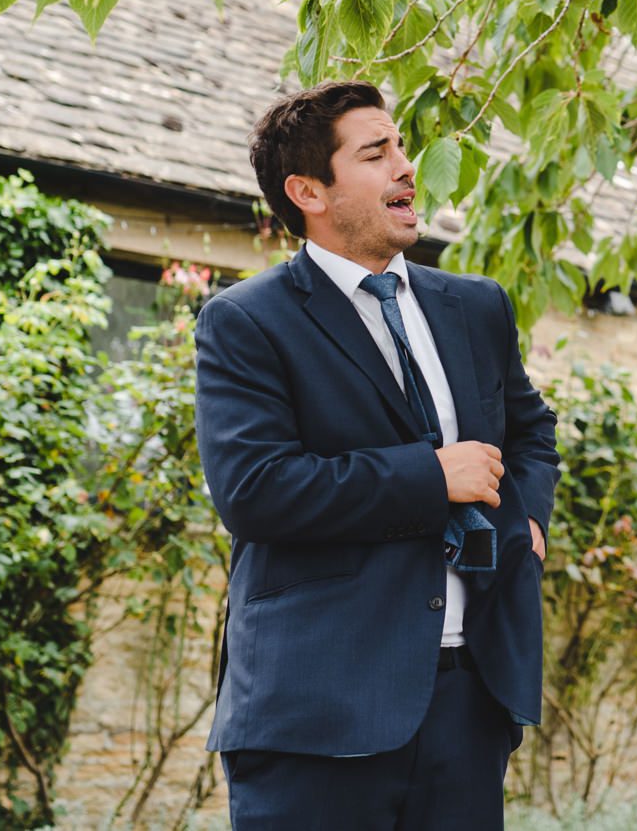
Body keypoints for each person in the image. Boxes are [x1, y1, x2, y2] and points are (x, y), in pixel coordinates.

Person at [195, 81, 560, 829]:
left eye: (400, 145)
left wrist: (528, 522)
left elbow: (531, 431)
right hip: (314, 714)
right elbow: (257, 489)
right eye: (376, 152)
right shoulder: (244, 321)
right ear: (308, 191)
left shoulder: (478, 305)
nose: (407, 165)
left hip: (468, 698)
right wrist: (431, 476)